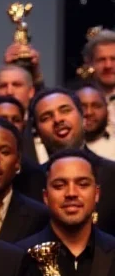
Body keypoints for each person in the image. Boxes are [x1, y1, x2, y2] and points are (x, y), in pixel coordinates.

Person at [29, 87, 115, 234]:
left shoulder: (112, 175)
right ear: (37, 132)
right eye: (46, 117)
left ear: (82, 118)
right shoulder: (28, 183)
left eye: (65, 110)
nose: (58, 119)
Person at [75, 85, 115, 160]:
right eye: (82, 106)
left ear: (107, 110)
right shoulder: (60, 150)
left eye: (96, 106)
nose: (89, 112)